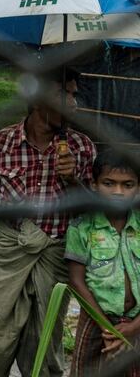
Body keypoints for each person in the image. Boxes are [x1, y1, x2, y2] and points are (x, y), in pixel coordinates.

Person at [0, 68, 95, 377]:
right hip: (12, 251)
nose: (73, 104)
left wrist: (73, 179)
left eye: (74, 95)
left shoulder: (80, 147)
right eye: (65, 94)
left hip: (55, 253)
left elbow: (92, 209)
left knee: (43, 341)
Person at [66, 151, 140, 376]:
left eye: (128, 185)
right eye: (109, 183)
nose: (118, 192)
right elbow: (76, 281)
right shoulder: (81, 228)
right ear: (94, 185)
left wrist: (134, 327)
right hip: (96, 321)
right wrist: (107, 327)